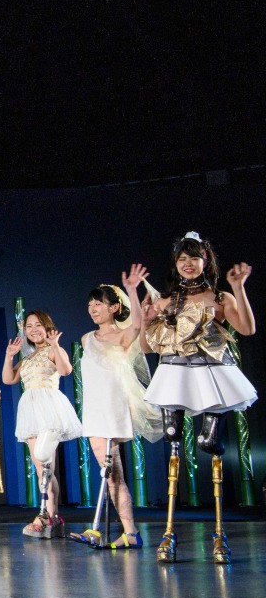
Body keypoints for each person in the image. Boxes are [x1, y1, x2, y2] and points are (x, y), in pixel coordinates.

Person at [141, 232, 255, 563]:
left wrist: (239, 288)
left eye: (194, 257)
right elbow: (149, 347)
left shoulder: (219, 298)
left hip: (211, 373)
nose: (188, 264)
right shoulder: (165, 301)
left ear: (205, 260)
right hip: (174, 373)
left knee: (207, 444)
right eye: (182, 259)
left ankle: (220, 534)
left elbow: (246, 329)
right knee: (173, 438)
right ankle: (169, 533)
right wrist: (146, 321)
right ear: (176, 265)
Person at [70, 268, 163, 549]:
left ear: (114, 307)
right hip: (94, 409)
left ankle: (112, 530)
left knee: (112, 472)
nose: (92, 308)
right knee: (110, 474)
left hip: (113, 407)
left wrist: (132, 290)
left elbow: (137, 326)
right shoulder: (87, 339)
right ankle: (126, 533)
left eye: (98, 303)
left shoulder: (124, 336)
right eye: (90, 304)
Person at [1, 310, 83, 539]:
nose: (33, 329)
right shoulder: (26, 358)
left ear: (48, 327)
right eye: (29, 326)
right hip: (30, 411)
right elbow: (8, 379)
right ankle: (53, 516)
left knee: (47, 466)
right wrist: (9, 356)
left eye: (38, 325)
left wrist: (56, 346)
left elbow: (66, 370)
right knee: (40, 468)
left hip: (48, 408)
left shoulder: (53, 350)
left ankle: (47, 515)